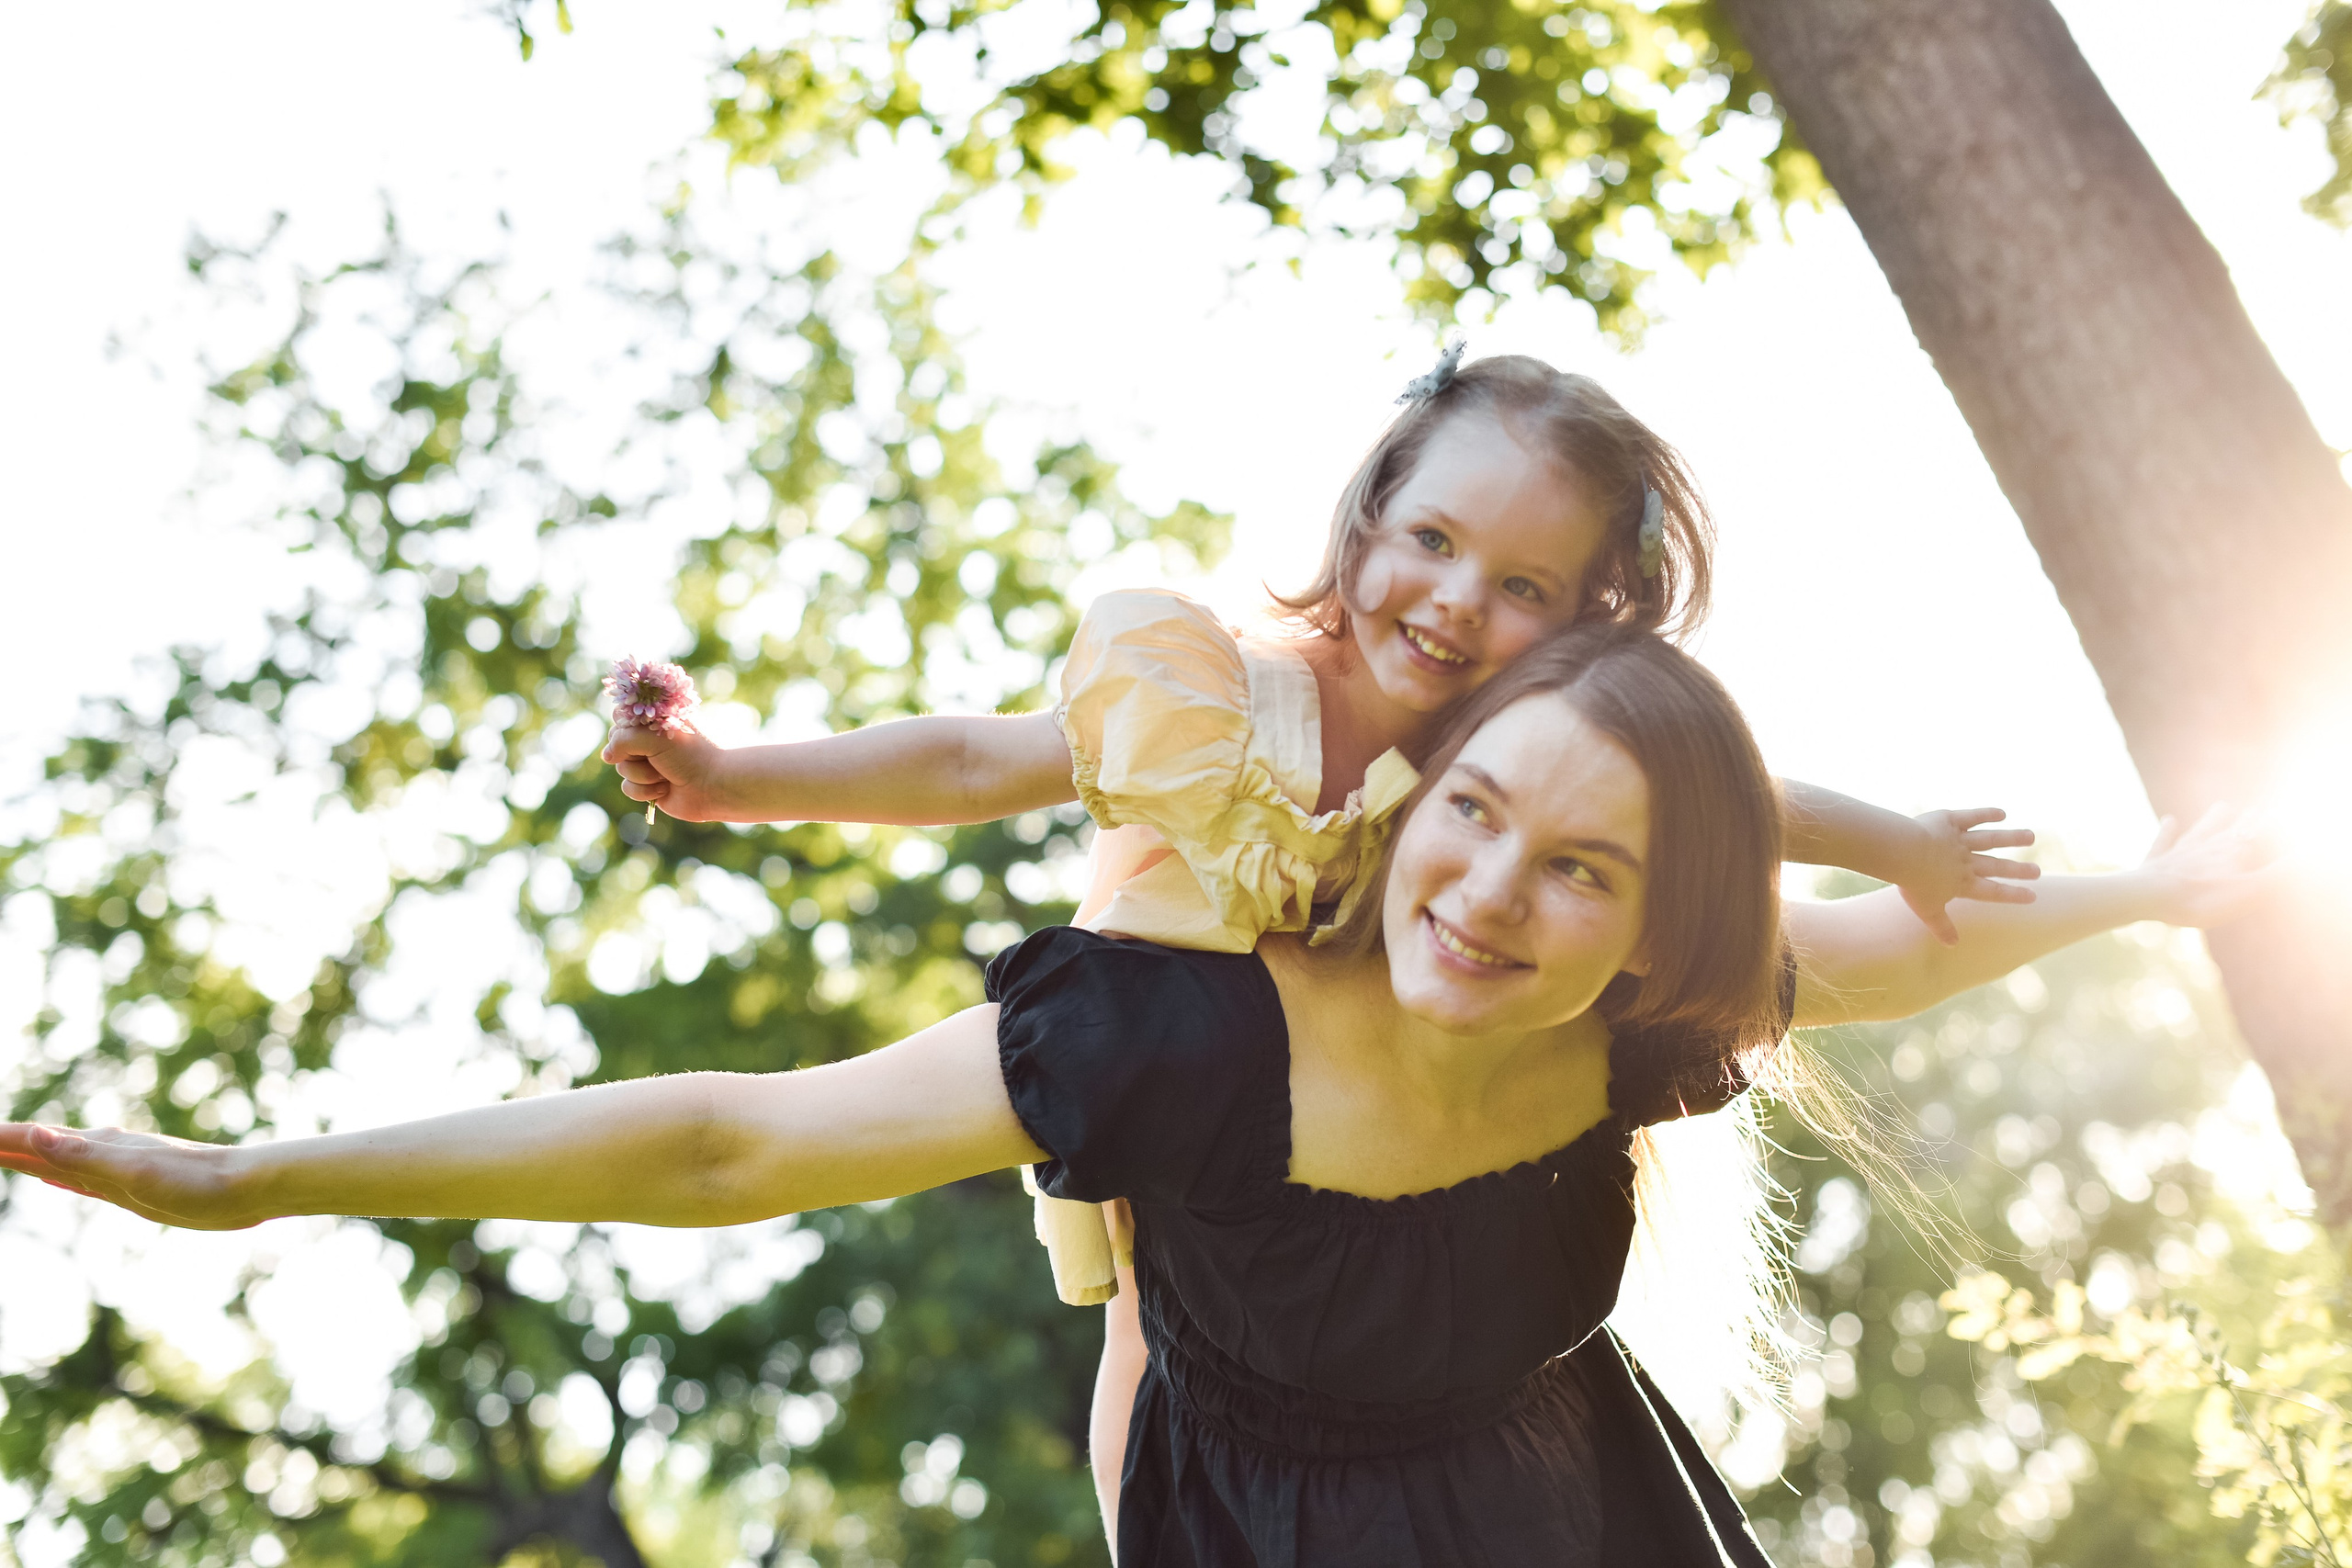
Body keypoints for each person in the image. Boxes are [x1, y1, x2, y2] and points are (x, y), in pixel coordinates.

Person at [0, 624, 2267, 1567]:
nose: (1490, 893)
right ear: (1423, 780)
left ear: (1645, 911)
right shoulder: (1171, 1040)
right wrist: (251, 1175)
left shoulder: (1628, 1018)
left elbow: (1885, 951)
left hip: (1585, 1518)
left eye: (1581, 866)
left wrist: (2148, 890)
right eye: (1474, 810)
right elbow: (732, 1135)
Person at [601, 348, 2041, 1303]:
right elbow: (979, 761)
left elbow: (1741, 804)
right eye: (1433, 540)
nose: (1461, 600)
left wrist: (1906, 848)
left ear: (1583, 619)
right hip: (1157, 1053)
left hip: (1335, 1114)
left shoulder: (1509, 748)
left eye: (1524, 587)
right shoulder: (1225, 698)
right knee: (1143, 1338)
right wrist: (738, 776)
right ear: (1366, 525)